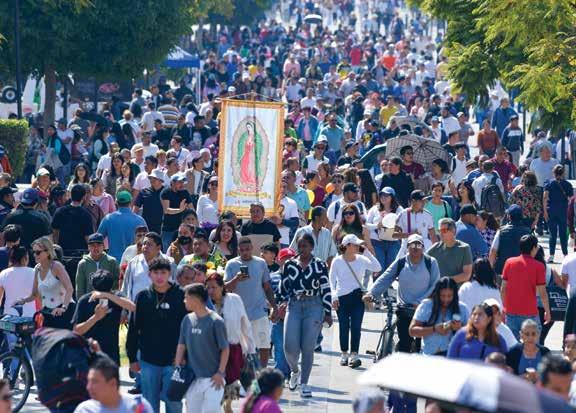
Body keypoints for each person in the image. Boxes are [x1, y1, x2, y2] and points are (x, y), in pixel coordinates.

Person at [127, 257, 186, 413]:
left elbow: (187, 328)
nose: (159, 276)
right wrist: (132, 357)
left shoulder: (181, 295)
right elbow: (134, 328)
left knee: (174, 402)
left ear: (170, 274)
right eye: (156, 272)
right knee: (149, 403)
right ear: (149, 274)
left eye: (163, 272)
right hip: (148, 360)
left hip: (174, 360)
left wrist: (185, 355)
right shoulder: (143, 297)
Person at [366, 233, 440, 353]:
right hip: (404, 308)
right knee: (405, 344)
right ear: (407, 247)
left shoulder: (431, 262)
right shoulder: (401, 262)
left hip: (424, 309)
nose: (415, 248)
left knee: (426, 345)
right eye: (412, 245)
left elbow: (435, 285)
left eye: (418, 245)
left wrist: (420, 302)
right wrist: (371, 293)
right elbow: (386, 277)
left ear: (423, 248)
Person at [279, 234, 332, 397]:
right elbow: (283, 286)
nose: (302, 249)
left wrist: (328, 312)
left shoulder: (320, 264)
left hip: (314, 305)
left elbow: (325, 287)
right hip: (294, 305)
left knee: (308, 347)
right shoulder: (289, 264)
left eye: (305, 246)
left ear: (312, 247)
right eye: (300, 246)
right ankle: (295, 371)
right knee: (289, 346)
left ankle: (304, 384)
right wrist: (280, 303)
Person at [175, 283, 229, 413]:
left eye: (186, 297)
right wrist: (177, 367)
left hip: (213, 379)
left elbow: (225, 349)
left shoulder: (216, 321)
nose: (184, 301)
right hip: (193, 378)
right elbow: (181, 345)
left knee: (211, 410)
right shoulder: (187, 319)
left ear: (196, 299)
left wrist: (220, 373)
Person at [224, 237, 278, 368]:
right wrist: (236, 279)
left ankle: (262, 373)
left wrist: (274, 307)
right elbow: (225, 288)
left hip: (259, 312)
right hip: (239, 314)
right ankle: (244, 373)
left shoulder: (261, 263)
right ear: (238, 250)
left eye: (247, 249)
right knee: (242, 348)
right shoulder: (231, 264)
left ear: (252, 248)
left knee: (264, 345)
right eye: (242, 250)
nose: (245, 252)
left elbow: (267, 287)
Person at [205, 272, 255, 412]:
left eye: (214, 287)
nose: (211, 291)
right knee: (215, 380)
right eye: (208, 288)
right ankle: (216, 405)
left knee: (233, 379)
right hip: (213, 350)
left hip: (233, 347)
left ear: (222, 287)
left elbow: (245, 323)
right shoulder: (205, 304)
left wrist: (250, 347)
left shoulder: (234, 299)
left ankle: (228, 405)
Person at [330, 234, 381, 368]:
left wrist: (367, 251)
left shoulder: (362, 259)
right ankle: (344, 353)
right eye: (355, 244)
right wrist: (334, 296)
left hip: (358, 296)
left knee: (356, 326)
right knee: (343, 326)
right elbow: (332, 280)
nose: (358, 246)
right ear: (347, 246)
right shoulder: (337, 261)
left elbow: (378, 267)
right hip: (342, 297)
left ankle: (354, 354)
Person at [73, 269, 135, 364]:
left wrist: (107, 295)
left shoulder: (117, 298)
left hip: (111, 354)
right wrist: (95, 317)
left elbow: (133, 307)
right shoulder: (85, 301)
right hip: (88, 352)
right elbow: (77, 331)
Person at [16, 236, 75, 329]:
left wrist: (63, 308)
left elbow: (69, 288)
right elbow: (34, 294)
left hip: (63, 312)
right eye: (33, 252)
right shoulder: (37, 268)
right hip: (47, 313)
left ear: (48, 252)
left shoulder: (56, 266)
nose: (34, 255)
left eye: (38, 252)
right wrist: (23, 300)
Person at [501, 234, 551, 340]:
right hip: (530, 313)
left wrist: (504, 308)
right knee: (533, 344)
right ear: (533, 248)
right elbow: (542, 293)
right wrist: (547, 311)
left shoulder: (509, 262)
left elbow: (503, 289)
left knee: (512, 345)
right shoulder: (539, 266)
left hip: (511, 312)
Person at [409, 277, 469, 356]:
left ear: (455, 295)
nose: (446, 299)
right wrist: (434, 329)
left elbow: (473, 336)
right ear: (437, 294)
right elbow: (412, 331)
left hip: (452, 358)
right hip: (429, 356)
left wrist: (460, 329)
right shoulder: (426, 305)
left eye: (449, 296)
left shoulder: (462, 309)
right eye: (442, 296)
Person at [74, 357, 154, 413]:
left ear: (112, 383)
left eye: (95, 382)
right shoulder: (85, 410)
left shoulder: (138, 406)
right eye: (88, 381)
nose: (88, 387)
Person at [122, 232, 175, 302]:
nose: (145, 247)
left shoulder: (169, 263)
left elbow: (176, 286)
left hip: (162, 305)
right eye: (144, 244)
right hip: (136, 306)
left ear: (158, 248)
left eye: (149, 244)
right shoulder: (133, 262)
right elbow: (125, 288)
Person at [98, 191, 147, 262]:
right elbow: (147, 241)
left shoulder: (108, 219)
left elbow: (98, 239)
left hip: (113, 262)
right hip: (134, 261)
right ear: (131, 202)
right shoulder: (140, 220)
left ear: (116, 202)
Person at [366, 187, 403, 271]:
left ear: (392, 197)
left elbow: (404, 225)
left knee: (391, 269)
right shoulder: (374, 209)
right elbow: (366, 225)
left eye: (386, 195)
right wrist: (377, 226)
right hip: (377, 243)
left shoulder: (399, 209)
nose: (383, 197)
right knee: (379, 268)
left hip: (393, 243)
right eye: (382, 195)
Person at [489, 204, 532, 275]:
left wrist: (490, 269)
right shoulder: (528, 232)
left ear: (509, 216)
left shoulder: (501, 231)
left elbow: (493, 251)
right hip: (523, 269)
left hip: (503, 269)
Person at [75, 233, 120, 298]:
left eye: (99, 245)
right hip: (90, 300)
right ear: (88, 247)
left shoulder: (112, 262)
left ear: (103, 246)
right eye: (92, 245)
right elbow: (80, 287)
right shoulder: (83, 263)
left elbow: (116, 283)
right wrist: (81, 301)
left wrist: (114, 299)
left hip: (109, 299)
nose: (96, 248)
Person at [543, 164, 573, 262]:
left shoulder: (548, 183)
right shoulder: (568, 184)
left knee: (552, 234)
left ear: (553, 173)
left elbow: (545, 197)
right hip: (563, 211)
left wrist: (545, 211)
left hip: (551, 210)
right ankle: (565, 255)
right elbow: (571, 200)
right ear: (563, 173)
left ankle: (551, 255)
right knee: (563, 234)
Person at [0, 247, 35, 317]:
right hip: (30, 315)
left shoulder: (4, 273)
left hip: (9, 315)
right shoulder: (34, 272)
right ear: (24, 258)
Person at [160, 173, 193, 249]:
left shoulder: (185, 192)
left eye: (182, 182)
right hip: (168, 230)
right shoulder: (166, 192)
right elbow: (166, 210)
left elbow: (191, 209)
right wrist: (180, 210)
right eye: (179, 182)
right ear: (172, 182)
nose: (182, 184)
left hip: (183, 230)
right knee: (167, 251)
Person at [133, 169, 165, 234]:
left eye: (154, 178)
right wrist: (133, 221)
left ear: (161, 180)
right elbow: (135, 208)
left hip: (162, 228)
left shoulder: (167, 192)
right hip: (146, 227)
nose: (152, 180)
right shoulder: (143, 192)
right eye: (150, 178)